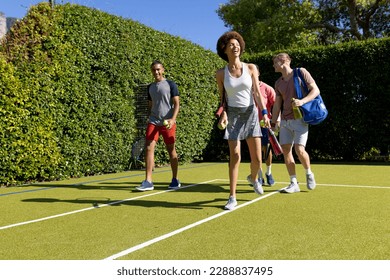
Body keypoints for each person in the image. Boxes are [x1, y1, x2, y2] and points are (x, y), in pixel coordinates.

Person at [216, 31, 270, 210]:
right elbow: (222, 99)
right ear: (224, 49)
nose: (235, 46)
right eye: (231, 44)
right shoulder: (221, 74)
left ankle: (254, 178)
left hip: (251, 114)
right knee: (235, 156)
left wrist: (264, 113)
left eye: (237, 43)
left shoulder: (251, 68)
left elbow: (256, 92)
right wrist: (223, 113)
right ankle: (232, 197)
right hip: (233, 116)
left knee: (257, 159)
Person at [270, 53, 318, 193]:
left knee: (300, 150)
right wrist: (273, 122)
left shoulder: (301, 72)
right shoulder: (278, 83)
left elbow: (315, 90)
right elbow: (277, 105)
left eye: (275, 62)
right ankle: (293, 183)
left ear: (283, 61)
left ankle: (309, 173)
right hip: (285, 121)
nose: (273, 65)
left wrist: (302, 101)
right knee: (286, 151)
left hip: (300, 119)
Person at [136, 60, 181, 191]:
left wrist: (172, 119)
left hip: (168, 123)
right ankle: (148, 181)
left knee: (171, 150)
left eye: (158, 69)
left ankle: (175, 179)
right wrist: (149, 118)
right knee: (149, 148)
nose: (156, 72)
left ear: (163, 70)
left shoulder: (171, 84)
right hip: (153, 121)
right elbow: (150, 105)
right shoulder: (149, 87)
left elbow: (177, 104)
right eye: (154, 70)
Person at [247, 67, 279, 186]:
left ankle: (268, 173)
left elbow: (277, 105)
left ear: (258, 73)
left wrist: (276, 121)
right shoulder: (245, 88)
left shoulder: (267, 88)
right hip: (250, 125)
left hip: (265, 124)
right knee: (255, 153)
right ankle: (259, 177)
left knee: (267, 151)